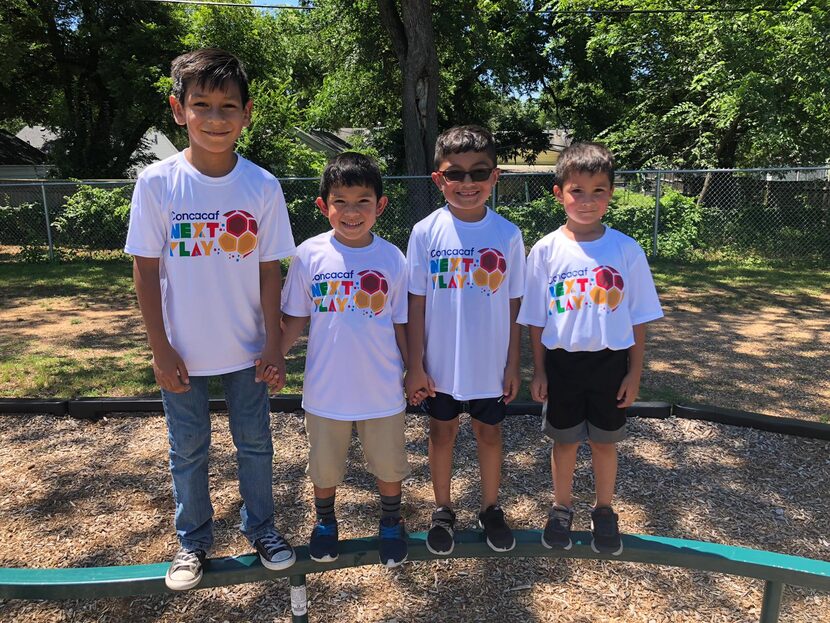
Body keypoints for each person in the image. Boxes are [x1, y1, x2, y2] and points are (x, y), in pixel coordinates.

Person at [125, 48, 297, 591]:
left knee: (255, 444)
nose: (216, 119)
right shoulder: (157, 183)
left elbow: (271, 271)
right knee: (188, 448)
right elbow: (146, 270)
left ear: (247, 113)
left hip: (247, 350)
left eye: (228, 106)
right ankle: (193, 541)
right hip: (184, 351)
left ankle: (263, 528)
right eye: (202, 105)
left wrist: (273, 343)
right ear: (179, 110)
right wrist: (160, 347)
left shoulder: (263, 187)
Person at [518, 142, 663, 555]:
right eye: (576, 190)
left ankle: (603, 510)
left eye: (598, 190)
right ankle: (561, 508)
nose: (587, 200)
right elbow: (536, 318)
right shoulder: (546, 250)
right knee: (564, 443)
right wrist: (540, 370)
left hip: (610, 365)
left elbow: (637, 317)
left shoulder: (625, 249)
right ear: (558, 193)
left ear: (611, 194)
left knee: (604, 442)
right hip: (562, 364)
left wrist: (634, 373)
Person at [281, 152, 411, 567]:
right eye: (341, 201)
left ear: (380, 206)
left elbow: (402, 323)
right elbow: (296, 316)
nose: (351, 212)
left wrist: (416, 370)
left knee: (388, 462)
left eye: (362, 202)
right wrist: (274, 357)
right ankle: (325, 524)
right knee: (324, 465)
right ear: (323, 205)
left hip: (382, 387)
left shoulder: (393, 258)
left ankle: (390, 523)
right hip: (326, 388)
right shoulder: (309, 255)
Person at [405, 125, 525, 555]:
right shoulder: (424, 232)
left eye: (479, 172)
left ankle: (491, 508)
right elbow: (415, 303)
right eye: (455, 174)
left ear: (495, 177)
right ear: (439, 179)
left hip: (489, 364)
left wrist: (514, 364)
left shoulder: (508, 235)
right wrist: (416, 365)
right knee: (441, 434)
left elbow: (514, 306)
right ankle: (443, 509)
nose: (467, 184)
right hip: (440, 364)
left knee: (488, 435)